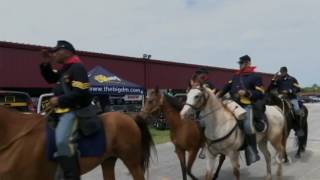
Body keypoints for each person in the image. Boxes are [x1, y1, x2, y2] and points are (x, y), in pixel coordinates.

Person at [40, 40, 92, 180]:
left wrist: (59, 100)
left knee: (62, 141)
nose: (54, 54)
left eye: (57, 51)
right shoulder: (65, 70)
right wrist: (46, 63)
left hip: (72, 112)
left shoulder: (77, 68)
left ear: (67, 51)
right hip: (57, 113)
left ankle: (71, 177)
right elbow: (50, 78)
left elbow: (81, 93)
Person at [218, 55, 266, 166]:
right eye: (240, 63)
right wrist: (217, 95)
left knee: (248, 127)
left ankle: (253, 152)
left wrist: (247, 93)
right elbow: (226, 88)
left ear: (248, 63)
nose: (240, 65)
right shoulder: (235, 76)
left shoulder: (255, 77)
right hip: (232, 104)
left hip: (246, 105)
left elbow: (261, 93)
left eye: (242, 63)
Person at [270, 66, 304, 136]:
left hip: (291, 98)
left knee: (296, 109)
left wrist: (289, 91)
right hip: (281, 97)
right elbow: (271, 87)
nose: (281, 74)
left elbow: (298, 88)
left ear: (285, 72)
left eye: (282, 72)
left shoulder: (292, 79)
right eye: (280, 72)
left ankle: (298, 128)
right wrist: (273, 79)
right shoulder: (279, 80)